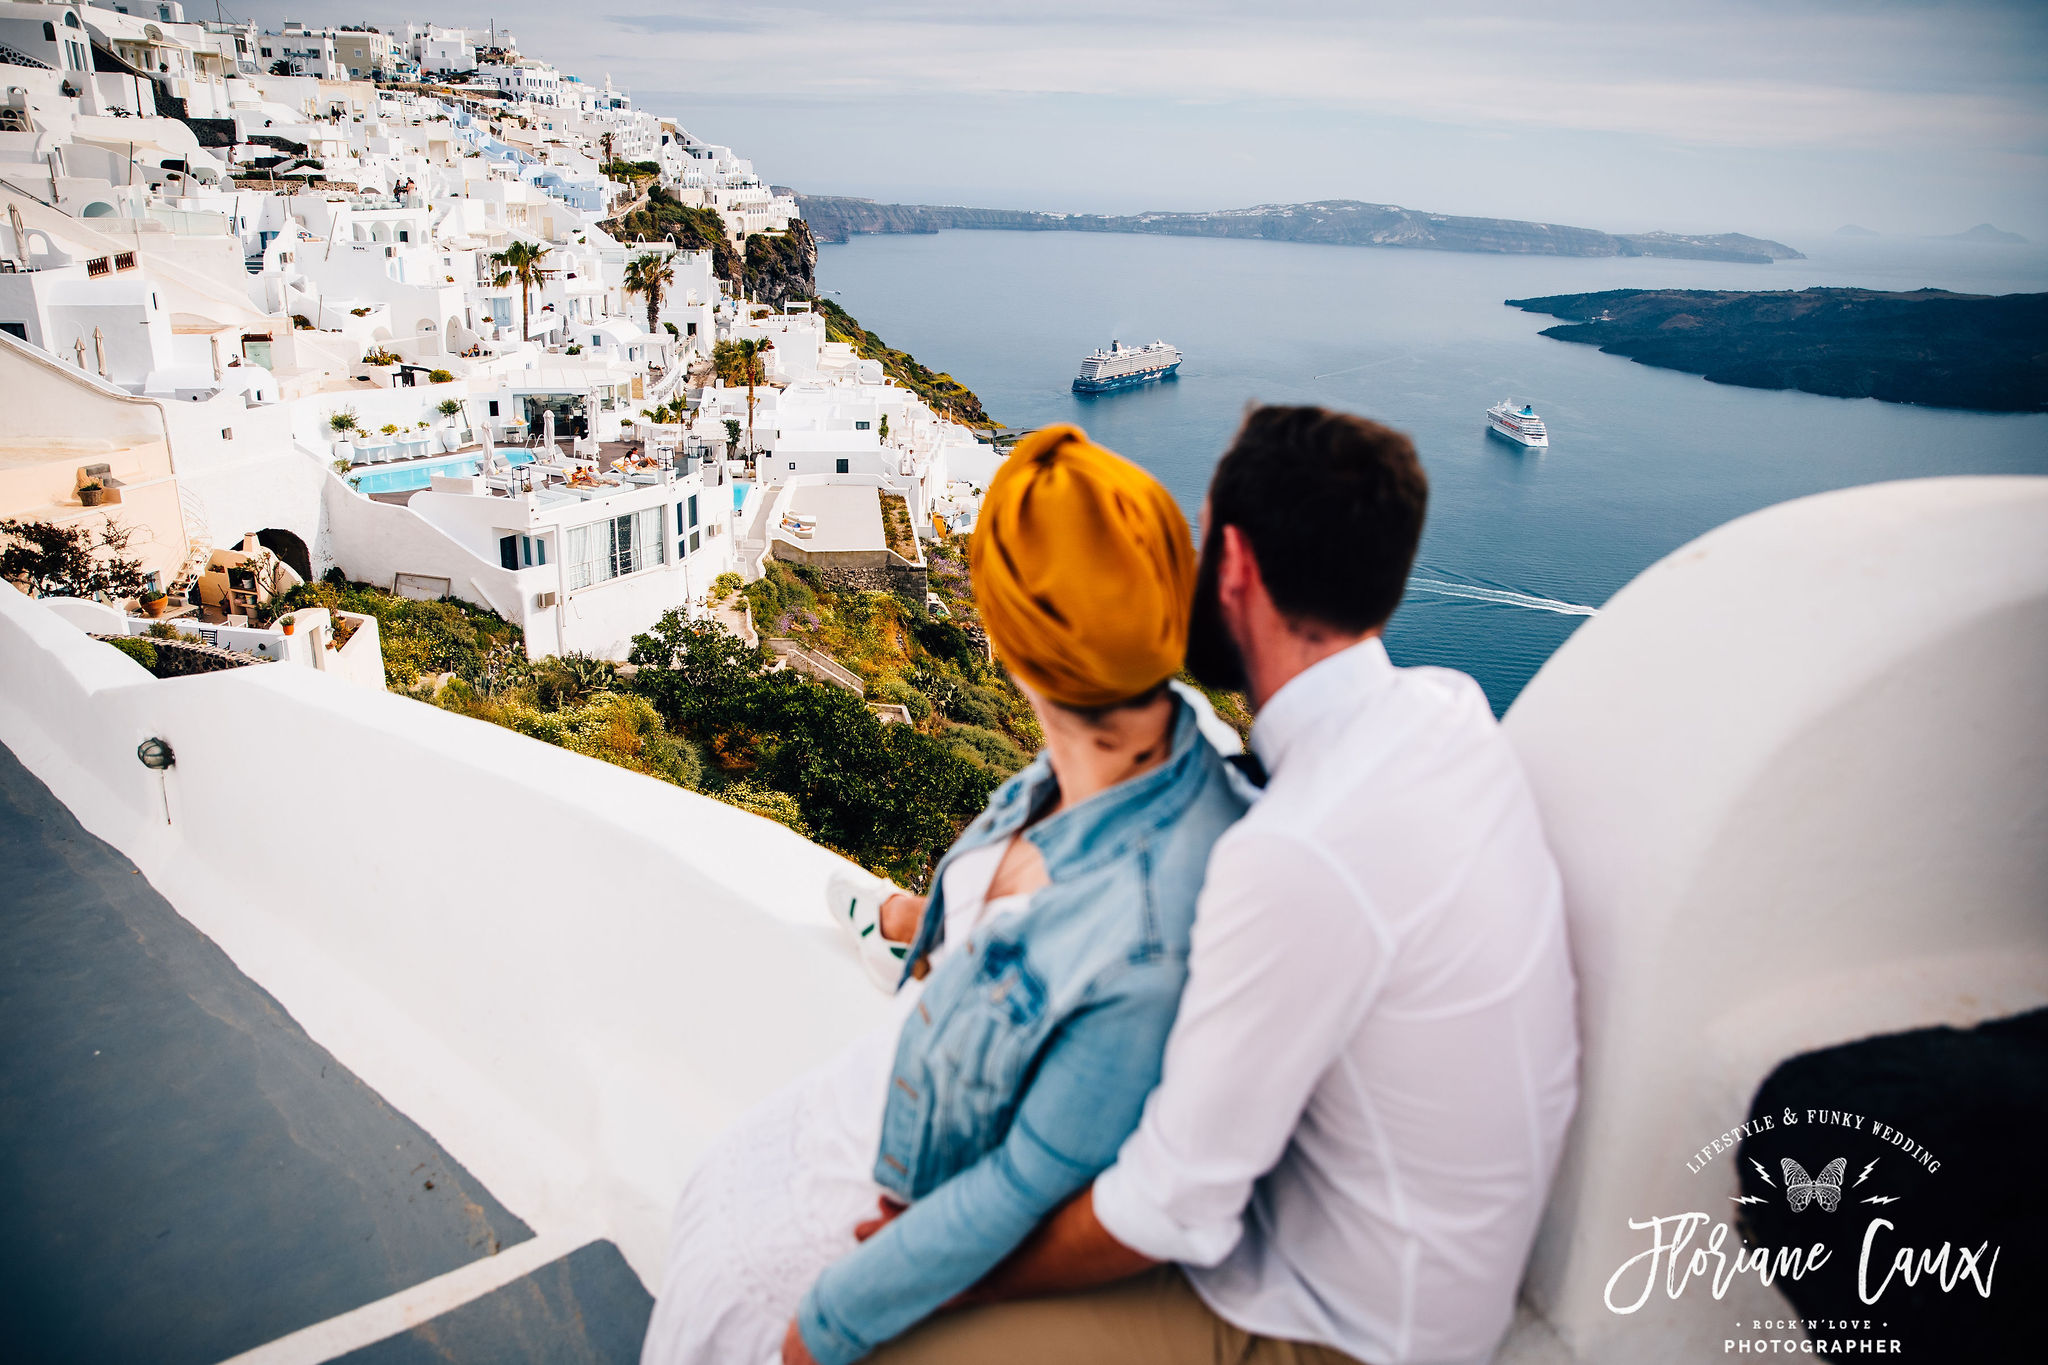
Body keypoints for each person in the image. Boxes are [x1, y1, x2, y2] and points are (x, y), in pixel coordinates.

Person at [859, 405, 1582, 1365]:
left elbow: (1170, 1206)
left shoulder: (1296, 851)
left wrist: (937, 1264)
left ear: (1234, 567)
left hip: (1343, 1328)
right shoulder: (1445, 709)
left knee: (877, 1342)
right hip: (1444, 1258)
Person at [638, 425, 1252, 1365]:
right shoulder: (1093, 756)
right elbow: (977, 931)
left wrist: (828, 1324)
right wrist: (898, 918)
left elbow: (1028, 1178)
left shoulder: (1152, 921)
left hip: (844, 1243)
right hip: (817, 1149)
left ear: (1007, 638)